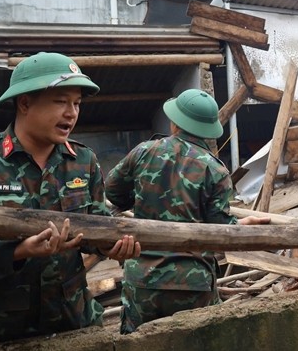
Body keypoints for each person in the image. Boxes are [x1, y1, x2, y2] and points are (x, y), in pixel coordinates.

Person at [0, 52, 141, 350]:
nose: (72, 113)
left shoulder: (84, 162)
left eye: (77, 103)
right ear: (25, 103)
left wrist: (110, 244)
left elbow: (95, 225)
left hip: (74, 326)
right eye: (60, 101)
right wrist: (17, 251)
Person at [105, 89, 269, 334]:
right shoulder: (216, 170)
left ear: (174, 123)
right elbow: (220, 231)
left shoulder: (143, 152)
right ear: (208, 129)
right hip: (193, 282)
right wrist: (241, 226)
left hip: (143, 279)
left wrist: (142, 200)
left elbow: (113, 193)